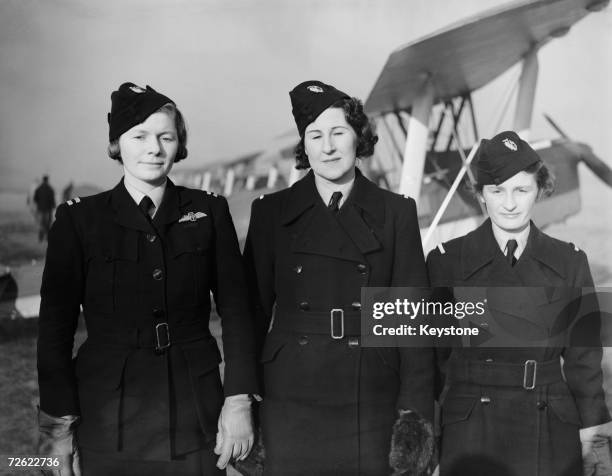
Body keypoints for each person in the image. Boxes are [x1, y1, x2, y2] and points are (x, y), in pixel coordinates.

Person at [37, 82, 258, 476]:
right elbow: (55, 330)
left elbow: (238, 314)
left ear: (179, 144)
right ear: (116, 144)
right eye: (139, 136)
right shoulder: (79, 220)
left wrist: (238, 401)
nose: (153, 148)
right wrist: (58, 429)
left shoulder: (209, 212)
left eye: (165, 136)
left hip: (195, 417)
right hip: (109, 421)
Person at [243, 80, 435, 475]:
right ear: (304, 145)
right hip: (290, 398)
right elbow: (250, 316)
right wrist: (242, 401)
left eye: (338, 132)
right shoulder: (270, 213)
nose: (327, 146)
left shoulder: (396, 212)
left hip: (370, 396)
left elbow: (411, 320)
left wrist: (415, 416)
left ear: (358, 137)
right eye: (315, 135)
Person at [427, 131, 612, 476]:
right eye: (497, 191)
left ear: (539, 189)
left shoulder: (571, 262)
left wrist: (596, 440)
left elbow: (584, 364)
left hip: (548, 429)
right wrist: (430, 441)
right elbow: (433, 360)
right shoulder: (446, 262)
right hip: (469, 430)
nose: (509, 203)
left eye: (521, 190)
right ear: (480, 195)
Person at [33, 175, 56, 242]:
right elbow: (52, 200)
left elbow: (35, 199)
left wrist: (39, 204)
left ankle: (40, 238)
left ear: (43, 180)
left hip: (40, 209)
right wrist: (53, 206)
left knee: (41, 223)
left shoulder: (38, 188)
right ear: (47, 180)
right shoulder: (50, 189)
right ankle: (47, 238)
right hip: (48, 210)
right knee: (47, 223)